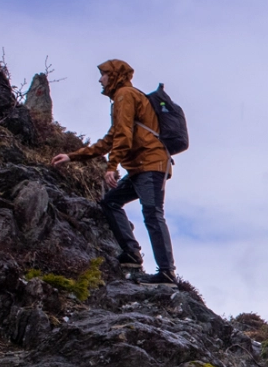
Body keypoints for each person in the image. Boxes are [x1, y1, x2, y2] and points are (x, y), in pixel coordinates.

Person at [51, 59, 176, 285]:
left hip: (150, 164)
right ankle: (132, 253)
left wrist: (112, 166)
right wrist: (72, 156)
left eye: (104, 74)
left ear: (115, 75)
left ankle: (166, 272)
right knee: (110, 202)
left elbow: (123, 136)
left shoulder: (125, 95)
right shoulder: (123, 98)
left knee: (152, 213)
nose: (100, 79)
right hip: (141, 166)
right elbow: (111, 138)